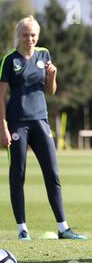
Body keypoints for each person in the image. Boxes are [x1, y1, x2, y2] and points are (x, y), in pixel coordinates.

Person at [0, 15, 86, 241]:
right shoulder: (9, 60)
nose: (30, 39)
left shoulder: (44, 54)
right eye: (26, 35)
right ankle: (22, 229)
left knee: (53, 173)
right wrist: (3, 126)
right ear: (18, 35)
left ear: (38, 36)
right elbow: (0, 97)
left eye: (33, 35)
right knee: (17, 175)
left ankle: (63, 228)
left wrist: (53, 76)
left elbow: (51, 91)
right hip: (17, 123)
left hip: (41, 121)